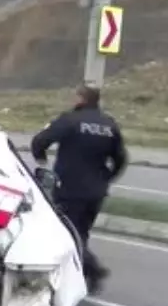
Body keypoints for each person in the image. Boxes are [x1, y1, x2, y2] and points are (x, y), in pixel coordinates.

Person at [31, 84, 128, 294]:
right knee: (81, 232)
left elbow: (39, 141)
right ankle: (78, 275)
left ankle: (92, 269)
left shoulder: (70, 120)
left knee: (67, 233)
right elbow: (120, 158)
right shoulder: (109, 125)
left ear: (81, 99)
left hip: (70, 188)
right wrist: (106, 178)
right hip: (96, 191)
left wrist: (41, 159)